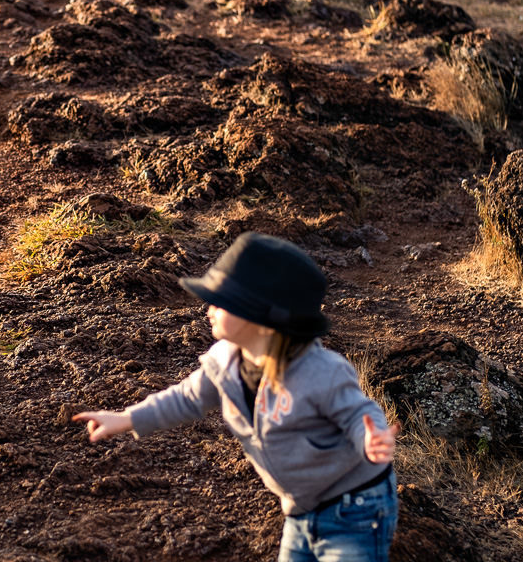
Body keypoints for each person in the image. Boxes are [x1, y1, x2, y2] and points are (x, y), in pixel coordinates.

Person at [73, 232, 400, 562]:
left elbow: (358, 413)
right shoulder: (224, 362)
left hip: (355, 507)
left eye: (222, 302)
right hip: (300, 509)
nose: (209, 310)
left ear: (260, 318)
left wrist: (369, 439)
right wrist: (127, 418)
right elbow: (185, 398)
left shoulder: (322, 371)